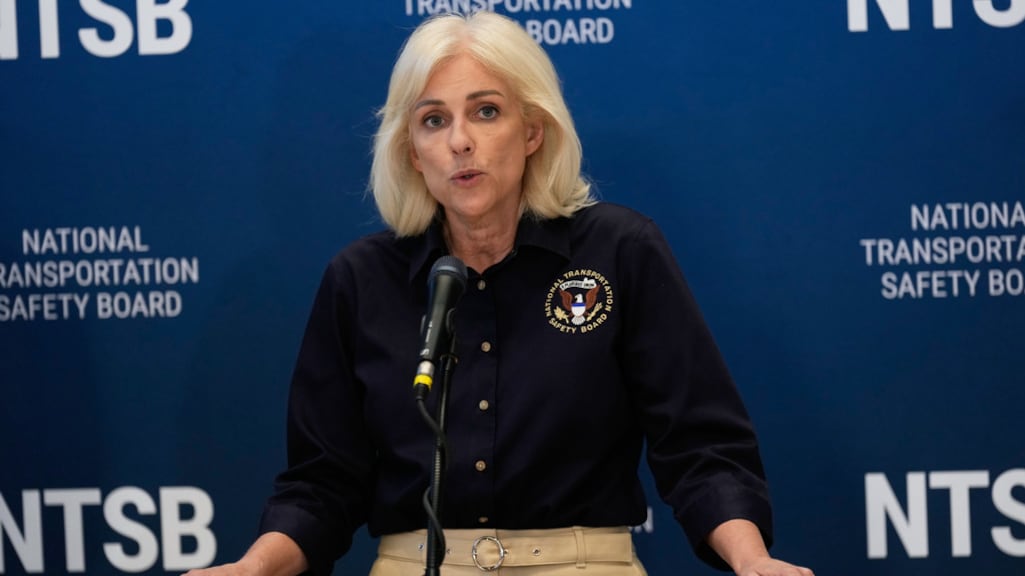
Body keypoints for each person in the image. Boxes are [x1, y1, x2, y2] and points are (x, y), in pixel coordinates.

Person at [186, 10, 814, 576]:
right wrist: (253, 568)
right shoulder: (361, 279)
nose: (460, 141)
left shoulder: (619, 250)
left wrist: (751, 560)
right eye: (434, 120)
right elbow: (323, 482)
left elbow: (701, 446)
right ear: (413, 152)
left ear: (533, 130)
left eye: (486, 111)